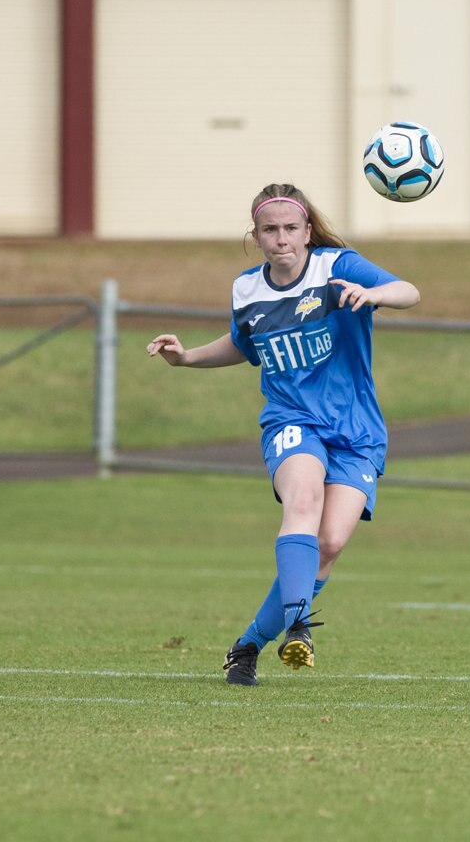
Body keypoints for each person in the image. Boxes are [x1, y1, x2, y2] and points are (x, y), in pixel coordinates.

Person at [147, 183, 420, 686]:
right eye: (270, 230)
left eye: (291, 228)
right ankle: (299, 623)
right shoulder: (247, 289)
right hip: (291, 419)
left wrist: (375, 293)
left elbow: (409, 291)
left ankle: (248, 644)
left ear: (308, 231)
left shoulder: (337, 266)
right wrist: (184, 358)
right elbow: (241, 343)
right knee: (303, 499)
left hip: (356, 428)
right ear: (256, 236)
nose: (281, 239)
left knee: (331, 542)